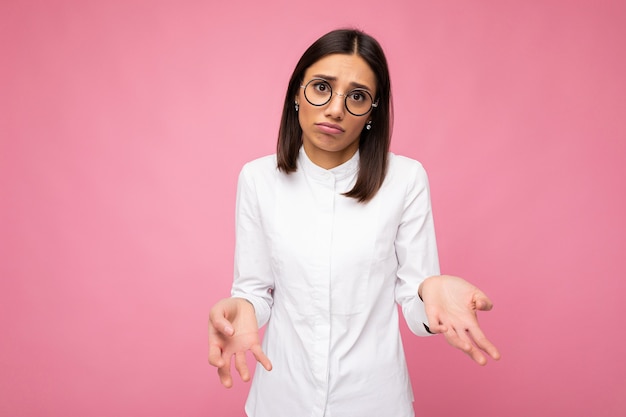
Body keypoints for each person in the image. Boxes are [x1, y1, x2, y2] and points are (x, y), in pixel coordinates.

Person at [208, 28, 500, 417]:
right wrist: (240, 307)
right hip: (282, 399)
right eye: (321, 87)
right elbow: (255, 292)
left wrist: (432, 290)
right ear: (297, 93)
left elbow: (416, 309)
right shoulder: (258, 179)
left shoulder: (406, 179)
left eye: (357, 96)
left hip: (374, 400)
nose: (335, 109)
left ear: (372, 111)